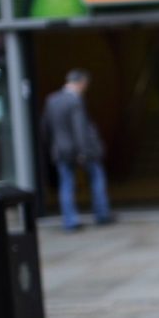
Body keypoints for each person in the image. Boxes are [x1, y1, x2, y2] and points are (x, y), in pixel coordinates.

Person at [40, 69, 113, 231]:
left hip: (60, 149)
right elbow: (80, 129)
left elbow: (45, 128)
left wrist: (54, 145)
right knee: (97, 178)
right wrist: (83, 152)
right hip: (81, 149)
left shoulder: (52, 100)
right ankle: (102, 214)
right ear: (81, 83)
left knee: (66, 185)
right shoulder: (75, 101)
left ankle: (70, 220)